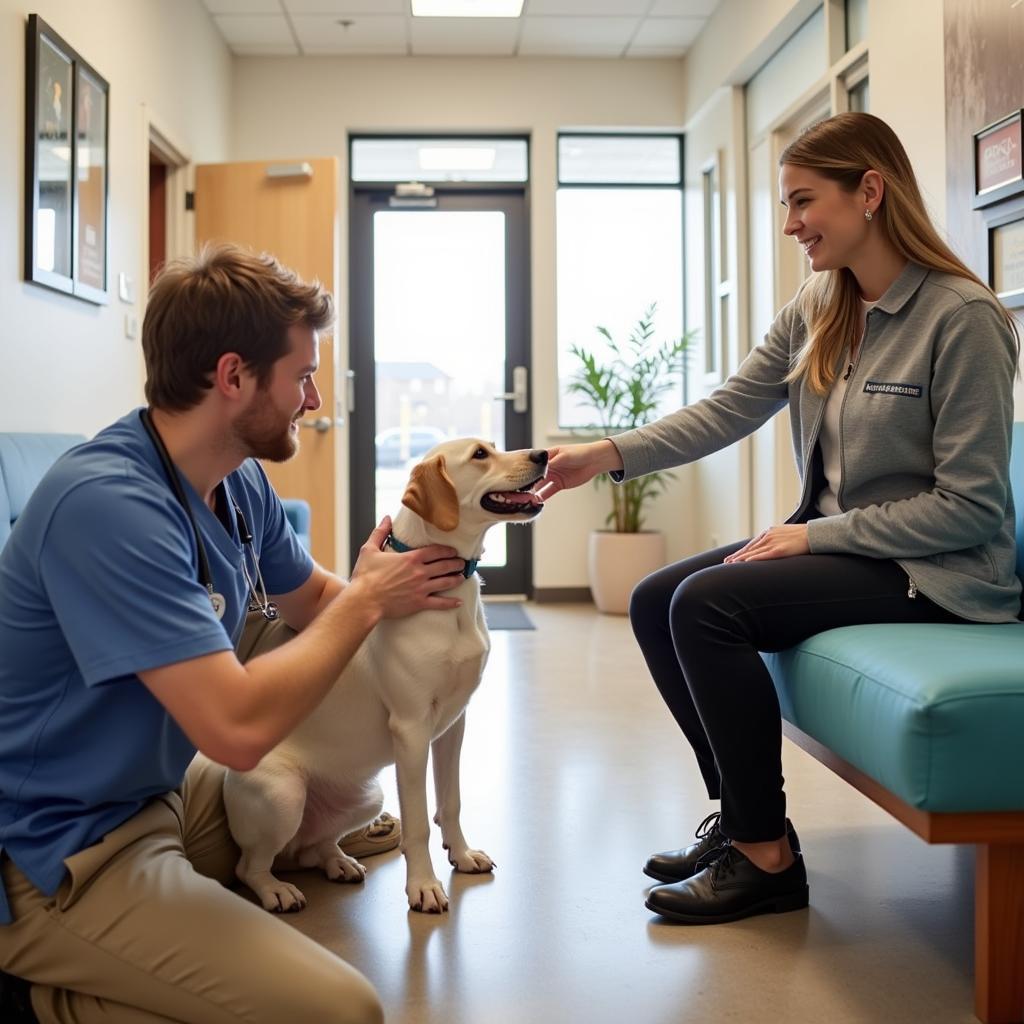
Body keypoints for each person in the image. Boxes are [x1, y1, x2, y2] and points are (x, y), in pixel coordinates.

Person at [536, 112, 1021, 925]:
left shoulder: (960, 318)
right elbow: (730, 408)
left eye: (803, 202)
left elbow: (970, 507)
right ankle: (743, 823)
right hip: (851, 554)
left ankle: (764, 857)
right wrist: (607, 453)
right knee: (659, 598)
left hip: (938, 571)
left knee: (708, 603)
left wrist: (814, 534)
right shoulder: (823, 304)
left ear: (870, 191)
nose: (791, 225)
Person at [0, 244, 470, 1023]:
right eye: (302, 376)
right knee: (342, 1011)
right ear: (233, 377)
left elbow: (315, 598)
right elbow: (239, 729)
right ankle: (49, 990)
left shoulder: (234, 478)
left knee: (351, 807)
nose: (312, 398)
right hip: (58, 849)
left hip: (160, 792)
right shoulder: (109, 506)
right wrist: (365, 603)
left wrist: (392, 590)